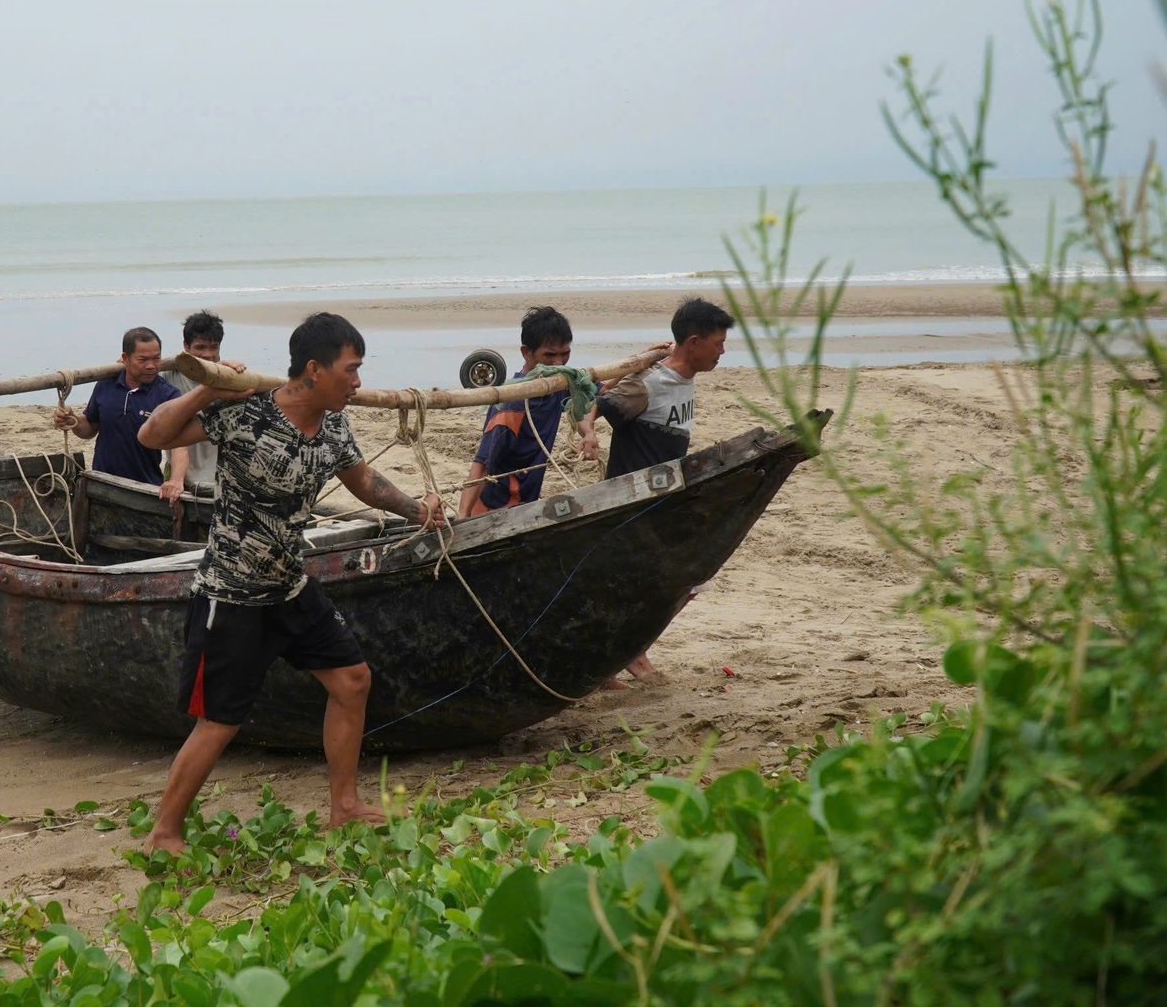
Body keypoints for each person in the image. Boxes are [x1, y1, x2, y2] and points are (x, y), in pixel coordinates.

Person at [136, 312, 446, 855]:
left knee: (352, 681)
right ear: (313, 369)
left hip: (289, 586)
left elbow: (364, 481)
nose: (357, 382)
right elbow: (151, 434)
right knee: (219, 723)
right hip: (231, 596)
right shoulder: (245, 411)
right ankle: (164, 832)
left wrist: (416, 509)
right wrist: (207, 390)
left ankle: (344, 806)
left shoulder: (332, 424)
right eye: (351, 370)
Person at [586, 295, 734, 684]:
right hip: (632, 503)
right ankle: (628, 655)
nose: (723, 350)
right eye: (718, 342)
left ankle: (626, 654)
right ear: (694, 342)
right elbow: (599, 403)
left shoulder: (684, 379)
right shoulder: (651, 384)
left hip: (664, 500)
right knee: (647, 583)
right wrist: (588, 431)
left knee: (686, 582)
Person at [457, 306, 602, 518]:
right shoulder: (510, 405)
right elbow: (482, 465)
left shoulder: (561, 383)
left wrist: (589, 433)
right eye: (549, 355)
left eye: (565, 354)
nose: (558, 362)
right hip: (497, 507)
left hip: (528, 501)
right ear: (526, 352)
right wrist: (462, 516)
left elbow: (590, 399)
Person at [54, 327, 188, 501]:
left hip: (145, 488)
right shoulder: (106, 384)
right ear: (125, 359)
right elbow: (90, 428)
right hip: (102, 484)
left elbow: (180, 444)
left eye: (156, 359)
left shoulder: (167, 395)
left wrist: (176, 480)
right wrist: (73, 421)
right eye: (142, 360)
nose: (151, 366)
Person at [157, 310, 241, 495]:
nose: (208, 355)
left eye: (214, 347)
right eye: (200, 347)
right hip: (180, 478)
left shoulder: (229, 378)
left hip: (219, 477)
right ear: (186, 346)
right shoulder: (168, 377)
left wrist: (236, 372)